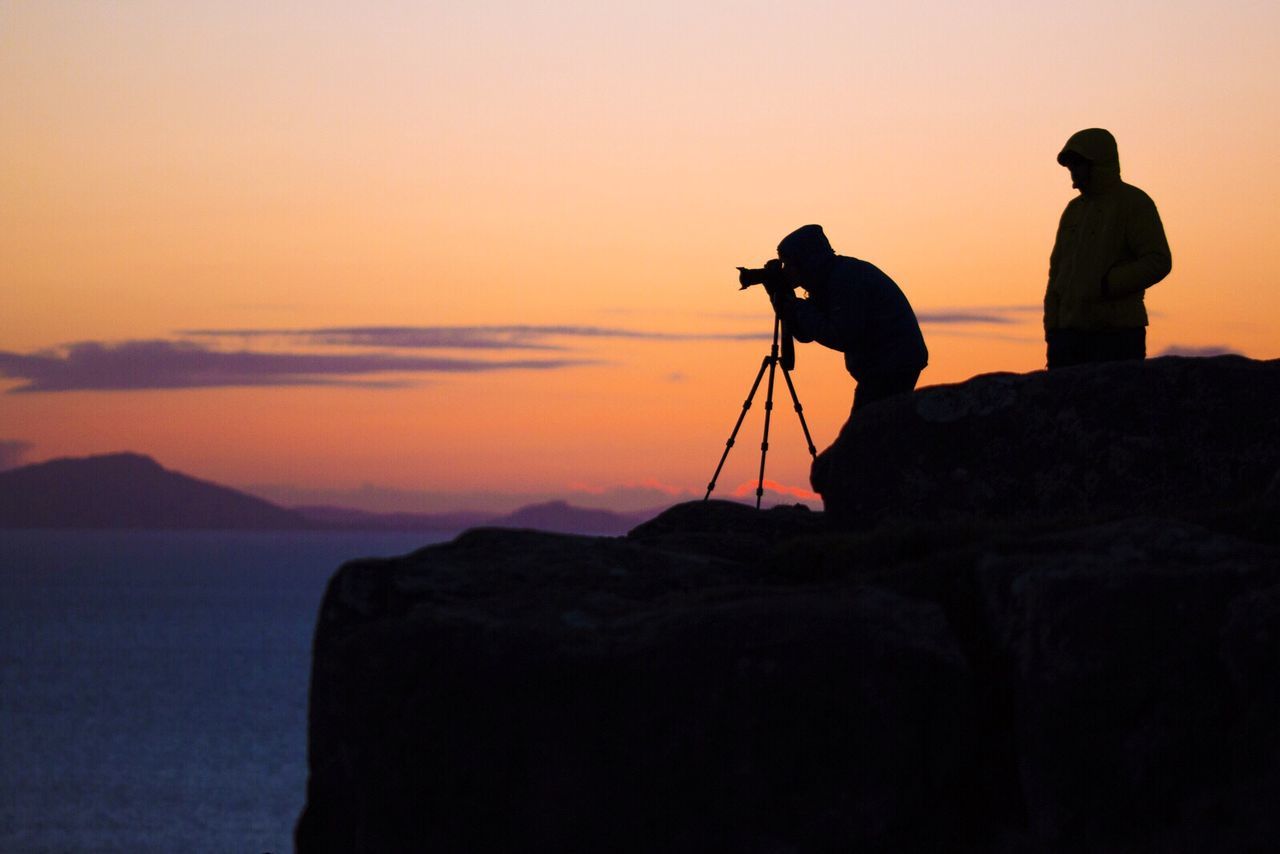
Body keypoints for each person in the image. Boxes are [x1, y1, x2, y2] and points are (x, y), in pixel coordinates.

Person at [765, 224, 928, 413]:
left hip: (891, 366)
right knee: (871, 433)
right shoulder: (830, 277)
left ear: (806, 261)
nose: (786, 271)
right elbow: (805, 334)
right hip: (885, 366)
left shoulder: (845, 280)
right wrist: (783, 302)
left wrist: (798, 308)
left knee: (866, 434)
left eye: (788, 264)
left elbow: (842, 336)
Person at [1044, 128, 1172, 369]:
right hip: (1069, 338)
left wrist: (1109, 284)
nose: (1072, 173)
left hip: (1117, 335)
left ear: (1097, 165)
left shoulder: (1134, 203)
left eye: (1077, 165)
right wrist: (1053, 330)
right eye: (1070, 166)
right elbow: (1056, 275)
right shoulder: (1073, 210)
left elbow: (1158, 260)